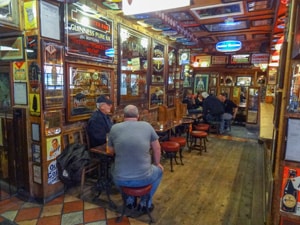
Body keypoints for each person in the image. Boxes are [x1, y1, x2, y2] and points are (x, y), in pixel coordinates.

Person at [107, 104, 163, 214]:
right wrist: (157, 163)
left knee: (113, 169)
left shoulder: (114, 128)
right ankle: (145, 202)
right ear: (138, 115)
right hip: (144, 177)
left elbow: (110, 151)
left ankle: (129, 200)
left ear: (124, 116)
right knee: (160, 171)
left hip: (121, 178)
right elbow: (157, 148)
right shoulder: (147, 126)